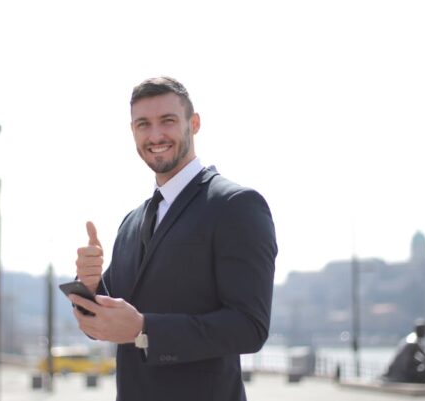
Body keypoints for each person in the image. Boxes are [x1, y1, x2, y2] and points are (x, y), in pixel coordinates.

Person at [70, 76, 277, 401]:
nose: (155, 135)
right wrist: (89, 285)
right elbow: (104, 323)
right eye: (143, 124)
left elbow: (249, 327)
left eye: (167, 121)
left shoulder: (235, 206)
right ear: (133, 131)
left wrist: (144, 330)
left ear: (193, 124)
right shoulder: (131, 222)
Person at [382, 319, 425, 388]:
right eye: (424, 330)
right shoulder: (413, 342)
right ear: (419, 330)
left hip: (397, 372)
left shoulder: (409, 338)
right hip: (403, 375)